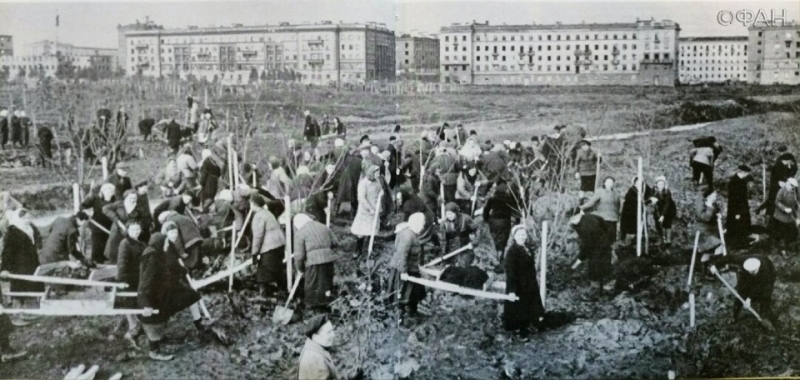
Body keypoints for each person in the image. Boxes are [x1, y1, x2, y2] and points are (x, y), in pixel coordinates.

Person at [137, 228, 206, 361]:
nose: (167, 245)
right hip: (152, 297)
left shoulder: (158, 253)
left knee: (189, 296)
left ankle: (198, 325)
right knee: (155, 320)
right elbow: (145, 283)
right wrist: (146, 304)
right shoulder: (151, 257)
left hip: (162, 292)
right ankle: (154, 351)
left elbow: (170, 267)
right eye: (166, 243)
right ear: (160, 243)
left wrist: (182, 271)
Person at [1, 209, 43, 325]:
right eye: (25, 218)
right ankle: (17, 315)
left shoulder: (29, 228)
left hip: (31, 263)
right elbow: (7, 253)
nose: (28, 220)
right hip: (19, 266)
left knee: (32, 286)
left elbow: (37, 240)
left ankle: (31, 313)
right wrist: (5, 268)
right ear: (19, 218)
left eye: (29, 217)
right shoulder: (13, 232)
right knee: (20, 288)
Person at [387, 213, 427, 327]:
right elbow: (401, 256)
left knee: (414, 293)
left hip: (412, 269)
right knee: (402, 293)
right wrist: (403, 272)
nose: (423, 226)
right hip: (403, 269)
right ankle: (399, 319)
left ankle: (412, 313)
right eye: (422, 223)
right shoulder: (407, 236)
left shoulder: (413, 234)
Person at [293, 213, 338, 313]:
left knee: (311, 284)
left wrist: (300, 269)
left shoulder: (300, 233)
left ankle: (312, 308)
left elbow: (299, 256)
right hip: (329, 260)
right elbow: (335, 242)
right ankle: (326, 304)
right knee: (326, 283)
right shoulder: (323, 227)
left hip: (313, 262)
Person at [503, 225, 544, 333]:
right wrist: (512, 290)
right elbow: (511, 272)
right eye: (519, 235)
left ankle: (528, 324)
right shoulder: (512, 252)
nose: (522, 237)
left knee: (529, 304)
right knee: (517, 308)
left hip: (529, 283)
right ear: (514, 236)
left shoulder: (527, 248)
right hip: (518, 284)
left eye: (523, 234)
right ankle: (517, 331)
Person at [570, 211, 615, 298]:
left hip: (595, 248)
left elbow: (586, 244)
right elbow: (604, 224)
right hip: (605, 244)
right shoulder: (591, 216)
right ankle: (604, 290)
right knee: (604, 267)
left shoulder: (582, 227)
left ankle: (595, 293)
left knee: (594, 269)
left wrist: (580, 258)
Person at [250, 194, 287, 299]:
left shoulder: (258, 216)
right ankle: (283, 290)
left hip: (269, 245)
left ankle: (263, 294)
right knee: (278, 268)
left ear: (254, 204)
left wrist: (254, 253)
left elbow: (258, 236)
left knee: (263, 270)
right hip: (279, 243)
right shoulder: (268, 213)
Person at [117, 220, 146, 346]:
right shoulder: (125, 243)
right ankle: (133, 327)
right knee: (128, 302)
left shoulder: (140, 243)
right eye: (133, 229)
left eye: (138, 229)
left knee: (137, 301)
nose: (136, 232)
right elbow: (122, 263)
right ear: (127, 230)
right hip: (128, 278)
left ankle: (138, 325)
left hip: (138, 277)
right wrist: (122, 280)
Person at [727, 256, 779, 327]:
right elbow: (729, 257)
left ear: (758, 267)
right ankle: (734, 316)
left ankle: (763, 315)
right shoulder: (743, 260)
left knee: (765, 295)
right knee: (741, 293)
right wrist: (715, 265)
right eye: (750, 271)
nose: (752, 273)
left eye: (754, 271)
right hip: (749, 277)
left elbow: (758, 286)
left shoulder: (765, 270)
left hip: (768, 278)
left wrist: (749, 299)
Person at [103, 190, 147, 264]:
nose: (132, 200)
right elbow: (105, 209)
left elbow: (142, 219)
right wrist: (116, 219)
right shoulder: (119, 204)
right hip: (117, 228)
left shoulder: (138, 207)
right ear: (126, 198)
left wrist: (135, 226)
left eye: (134, 198)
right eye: (130, 198)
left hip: (130, 231)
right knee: (114, 248)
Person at [350, 166, 382, 258]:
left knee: (372, 231)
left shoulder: (377, 181)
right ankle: (358, 250)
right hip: (366, 211)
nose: (378, 175)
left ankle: (370, 248)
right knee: (361, 232)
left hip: (375, 211)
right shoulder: (363, 183)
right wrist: (369, 209)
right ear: (371, 173)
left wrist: (381, 193)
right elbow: (361, 198)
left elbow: (380, 190)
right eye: (377, 173)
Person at [81, 183, 116, 264]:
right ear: (102, 191)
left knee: (107, 250)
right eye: (108, 190)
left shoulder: (115, 200)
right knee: (97, 250)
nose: (110, 192)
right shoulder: (96, 199)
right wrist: (87, 213)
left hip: (110, 229)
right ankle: (96, 265)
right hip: (97, 228)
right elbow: (82, 206)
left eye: (112, 190)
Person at [483, 181, 516, 267]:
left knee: (494, 239)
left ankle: (494, 260)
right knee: (502, 241)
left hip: (493, 221)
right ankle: (499, 259)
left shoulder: (492, 199)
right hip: (505, 222)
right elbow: (515, 211)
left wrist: (486, 219)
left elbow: (486, 210)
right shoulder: (510, 199)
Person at [579, 176, 622, 241]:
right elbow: (591, 203)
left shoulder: (617, 194)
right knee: (603, 238)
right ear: (604, 183)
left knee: (612, 238)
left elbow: (619, 206)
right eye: (608, 182)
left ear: (613, 184)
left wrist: (618, 215)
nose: (610, 184)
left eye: (611, 182)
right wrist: (580, 208)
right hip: (602, 219)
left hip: (613, 219)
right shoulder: (600, 192)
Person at [298, 314, 339, 380]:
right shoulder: (315, 359)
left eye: (332, 330)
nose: (333, 335)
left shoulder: (314, 348)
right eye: (329, 332)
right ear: (315, 337)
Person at [758, 151, 797, 218]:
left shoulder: (784, 165)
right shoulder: (778, 167)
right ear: (788, 160)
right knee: (774, 201)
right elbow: (779, 179)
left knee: (774, 201)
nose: (790, 165)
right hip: (777, 187)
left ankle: (763, 210)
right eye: (790, 162)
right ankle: (764, 211)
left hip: (781, 187)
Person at [619, 176, 654, 248]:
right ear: (634, 183)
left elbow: (650, 193)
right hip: (630, 213)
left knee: (641, 226)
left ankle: (639, 242)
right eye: (636, 183)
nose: (638, 184)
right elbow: (636, 201)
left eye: (640, 183)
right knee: (631, 226)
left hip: (640, 212)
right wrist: (647, 201)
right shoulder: (631, 191)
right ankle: (627, 241)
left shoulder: (644, 190)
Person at [768, 178, 799, 256]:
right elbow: (777, 202)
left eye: (793, 186)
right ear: (787, 183)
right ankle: (782, 249)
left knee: (791, 233)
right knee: (781, 233)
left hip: (790, 216)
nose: (792, 187)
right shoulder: (781, 190)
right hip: (780, 216)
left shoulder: (796, 192)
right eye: (791, 185)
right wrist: (784, 208)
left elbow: (797, 202)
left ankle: (788, 246)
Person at [726, 165, 753, 248]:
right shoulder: (734, 182)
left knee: (742, 225)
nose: (747, 175)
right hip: (737, 209)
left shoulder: (740, 180)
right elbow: (733, 199)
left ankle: (742, 241)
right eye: (747, 173)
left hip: (742, 208)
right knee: (737, 226)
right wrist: (736, 212)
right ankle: (737, 244)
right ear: (743, 172)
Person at [697, 187, 725, 265]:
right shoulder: (701, 205)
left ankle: (707, 272)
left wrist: (720, 217)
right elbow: (705, 218)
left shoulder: (714, 204)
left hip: (712, 231)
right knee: (719, 245)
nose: (715, 198)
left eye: (715, 196)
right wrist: (709, 207)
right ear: (708, 196)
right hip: (702, 232)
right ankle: (715, 265)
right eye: (713, 196)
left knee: (708, 251)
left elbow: (717, 218)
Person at [652, 175, 677, 246]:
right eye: (659, 184)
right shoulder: (655, 191)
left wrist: (662, 215)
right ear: (656, 185)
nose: (660, 186)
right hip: (659, 210)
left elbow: (667, 204)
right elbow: (650, 197)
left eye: (662, 184)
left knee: (667, 223)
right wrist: (651, 200)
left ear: (664, 184)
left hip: (669, 209)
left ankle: (668, 240)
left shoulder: (667, 192)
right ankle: (661, 239)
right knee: (658, 223)